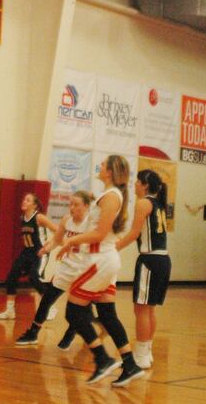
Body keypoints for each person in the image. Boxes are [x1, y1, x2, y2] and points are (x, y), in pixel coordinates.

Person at [56, 155, 144, 387]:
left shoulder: (111, 196)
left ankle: (102, 358)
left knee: (73, 312)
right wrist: (74, 244)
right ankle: (130, 363)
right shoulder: (109, 195)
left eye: (104, 164)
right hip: (101, 258)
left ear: (111, 171)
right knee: (106, 314)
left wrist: (68, 242)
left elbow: (99, 233)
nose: (100, 166)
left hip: (100, 259)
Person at [14, 190, 93, 347]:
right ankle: (33, 333)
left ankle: (71, 332)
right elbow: (57, 240)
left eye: (76, 205)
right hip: (66, 267)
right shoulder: (66, 220)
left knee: (82, 306)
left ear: (85, 206)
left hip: (85, 268)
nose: (72, 208)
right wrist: (46, 249)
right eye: (70, 204)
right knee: (47, 299)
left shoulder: (92, 223)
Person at [115, 169, 171, 369]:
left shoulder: (143, 203)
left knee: (141, 309)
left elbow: (133, 234)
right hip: (163, 260)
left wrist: (114, 248)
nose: (135, 185)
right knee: (149, 309)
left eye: (137, 181)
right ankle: (146, 352)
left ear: (145, 184)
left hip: (150, 260)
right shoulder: (159, 205)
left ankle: (140, 356)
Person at [0, 193, 57, 320]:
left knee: (34, 277)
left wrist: (49, 245)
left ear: (34, 205)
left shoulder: (39, 217)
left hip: (39, 253)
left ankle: (50, 307)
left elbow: (57, 230)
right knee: (11, 277)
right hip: (27, 252)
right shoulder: (23, 217)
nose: (24, 201)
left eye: (27, 200)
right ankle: (10, 310)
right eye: (24, 199)